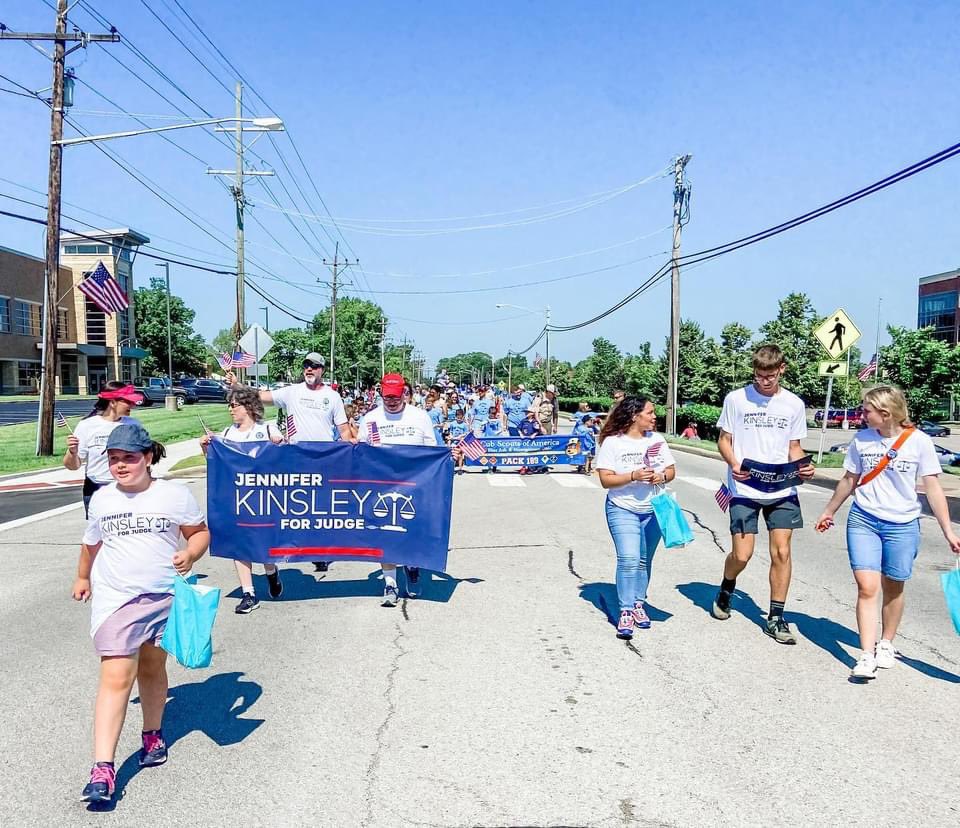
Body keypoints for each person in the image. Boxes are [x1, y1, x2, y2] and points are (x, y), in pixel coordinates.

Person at [72, 424, 209, 804]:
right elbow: (91, 543)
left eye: (129, 458)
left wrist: (191, 553)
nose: (120, 465)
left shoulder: (174, 495)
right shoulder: (102, 498)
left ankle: (152, 734)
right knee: (116, 677)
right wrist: (82, 576)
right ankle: (103, 768)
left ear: (148, 457)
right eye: (113, 459)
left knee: (152, 668)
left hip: (164, 595)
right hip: (117, 600)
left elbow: (199, 532)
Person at [815, 386, 960, 680]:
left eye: (866, 410)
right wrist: (829, 511)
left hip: (903, 524)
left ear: (885, 413)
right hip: (864, 519)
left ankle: (886, 643)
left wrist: (948, 531)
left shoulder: (919, 442)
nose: (862, 415)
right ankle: (866, 655)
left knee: (894, 587)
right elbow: (849, 479)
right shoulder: (862, 439)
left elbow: (932, 488)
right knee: (867, 587)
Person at [710, 344, 814, 645]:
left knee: (782, 552)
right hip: (744, 487)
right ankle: (727, 587)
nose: (764, 381)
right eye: (758, 376)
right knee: (742, 555)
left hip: (782, 488)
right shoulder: (736, 399)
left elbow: (794, 447)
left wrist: (804, 466)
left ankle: (776, 617)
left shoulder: (793, 404)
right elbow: (724, 440)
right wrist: (734, 463)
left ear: (781, 369)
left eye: (770, 376)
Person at [230, 352, 352, 573]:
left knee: (321, 510)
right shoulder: (291, 392)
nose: (309, 369)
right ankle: (291, 546)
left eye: (314, 366)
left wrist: (351, 451)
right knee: (296, 507)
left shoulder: (332, 397)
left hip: (325, 460)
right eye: (306, 365)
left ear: (322, 370)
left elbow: (343, 431)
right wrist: (238, 385)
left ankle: (320, 552)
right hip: (295, 459)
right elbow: (260, 396)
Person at [357, 373, 442, 606]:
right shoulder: (371, 419)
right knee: (385, 535)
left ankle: (412, 568)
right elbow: (362, 454)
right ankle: (390, 584)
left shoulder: (419, 417)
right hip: (382, 486)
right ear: (381, 394)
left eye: (396, 397)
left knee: (411, 533)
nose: (392, 401)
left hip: (415, 484)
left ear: (404, 393)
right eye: (387, 397)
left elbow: (431, 451)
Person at [594, 397, 676, 639]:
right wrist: (633, 475)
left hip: (653, 509)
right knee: (629, 559)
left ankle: (639, 603)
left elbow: (671, 470)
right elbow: (605, 480)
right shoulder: (613, 443)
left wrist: (661, 476)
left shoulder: (657, 440)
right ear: (634, 416)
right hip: (623, 508)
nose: (654, 416)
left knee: (643, 560)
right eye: (650, 412)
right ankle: (626, 610)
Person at [200, 386, 285, 614]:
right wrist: (206, 447)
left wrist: (279, 444)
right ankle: (249, 593)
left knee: (263, 544)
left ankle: (271, 572)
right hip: (237, 498)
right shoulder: (228, 434)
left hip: (265, 498)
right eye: (229, 405)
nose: (230, 409)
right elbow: (217, 463)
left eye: (234, 405)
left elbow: (284, 459)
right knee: (240, 544)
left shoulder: (267, 429)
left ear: (248, 406)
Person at [63, 381, 144, 516]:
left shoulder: (134, 425)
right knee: (100, 529)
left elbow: (144, 459)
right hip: (96, 489)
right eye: (127, 401)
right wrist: (72, 452)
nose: (132, 405)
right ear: (112, 402)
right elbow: (73, 466)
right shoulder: (87, 426)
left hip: (129, 489)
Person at [448, 408, 470, 474]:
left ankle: (460, 468)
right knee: (454, 455)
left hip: (460, 442)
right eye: (458, 417)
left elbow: (466, 433)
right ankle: (452, 468)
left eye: (460, 417)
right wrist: (451, 436)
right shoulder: (452, 423)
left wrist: (461, 436)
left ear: (463, 417)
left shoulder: (464, 425)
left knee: (460, 455)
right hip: (453, 441)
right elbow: (451, 431)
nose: (459, 419)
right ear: (456, 416)